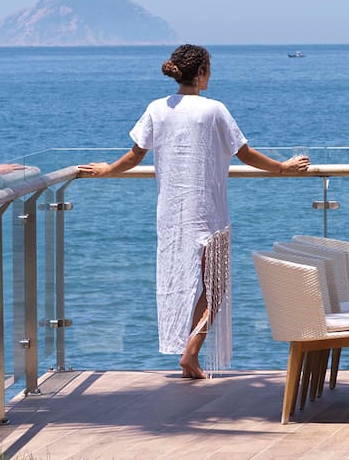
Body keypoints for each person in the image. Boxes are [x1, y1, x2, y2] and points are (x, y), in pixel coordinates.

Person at [77, 44, 309, 379]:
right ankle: (190, 352)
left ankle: (189, 353)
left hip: (171, 212)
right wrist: (283, 168)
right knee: (214, 286)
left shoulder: (157, 108)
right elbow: (244, 154)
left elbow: (134, 156)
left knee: (180, 281)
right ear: (201, 72)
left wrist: (107, 169)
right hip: (209, 212)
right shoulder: (213, 109)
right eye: (209, 69)